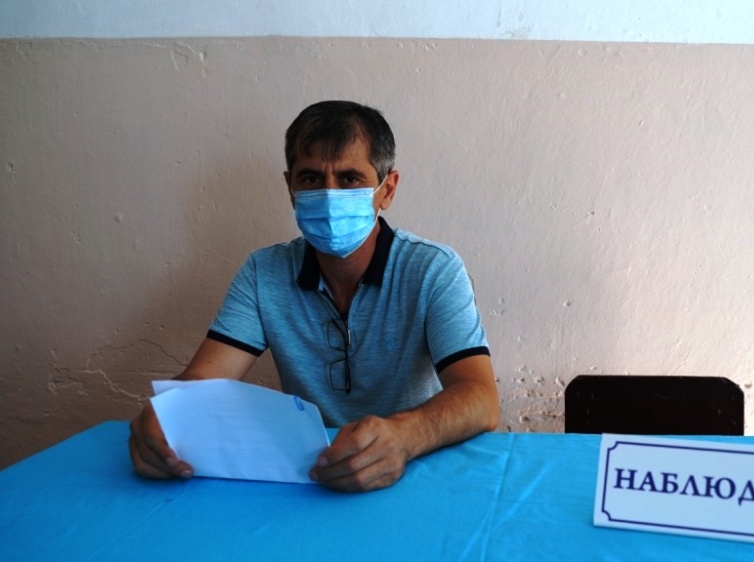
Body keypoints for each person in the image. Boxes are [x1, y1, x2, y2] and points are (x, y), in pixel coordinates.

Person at [128, 100, 499, 492]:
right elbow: (204, 380)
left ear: (387, 190)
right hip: (314, 474)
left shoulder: (433, 270)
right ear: (290, 189)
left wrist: (405, 436)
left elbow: (481, 398)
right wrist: (167, 416)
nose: (328, 195)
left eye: (350, 178)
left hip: (416, 467)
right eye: (310, 178)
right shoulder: (264, 273)